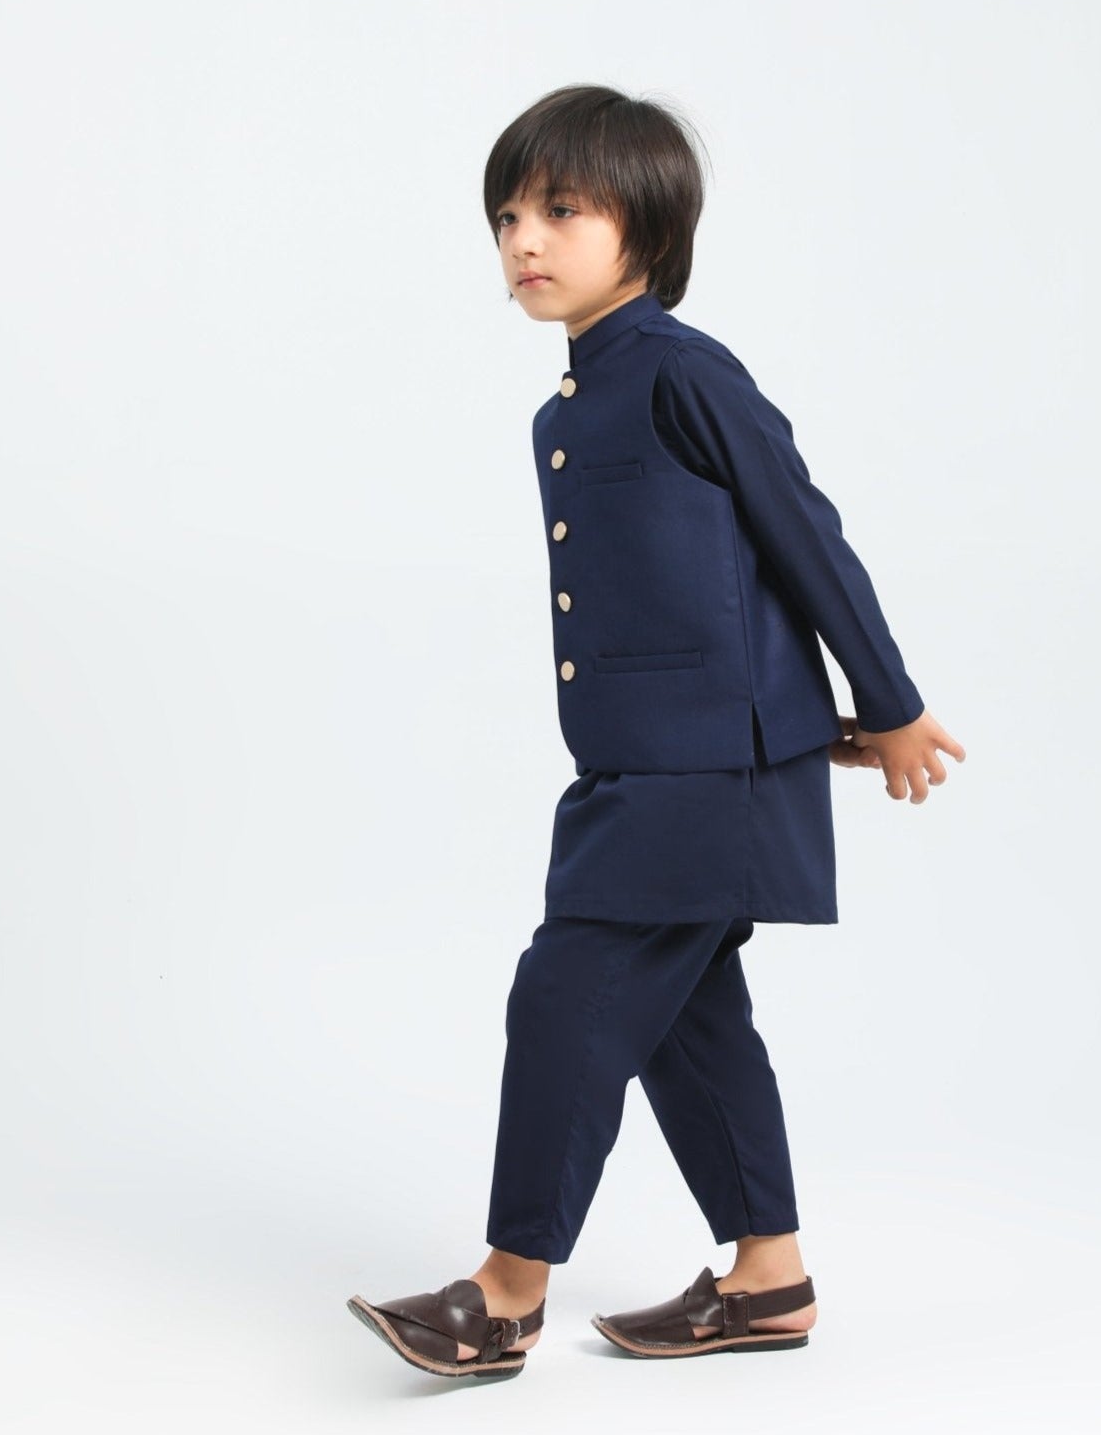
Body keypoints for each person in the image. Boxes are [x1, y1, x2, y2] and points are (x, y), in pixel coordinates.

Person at [347, 84, 966, 1380]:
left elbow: (802, 536)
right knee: (689, 1023)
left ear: (648, 226)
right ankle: (768, 1280)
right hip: (649, 762)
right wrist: (800, 717)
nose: (524, 239)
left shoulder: (686, 372)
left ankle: (505, 1295)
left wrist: (890, 705)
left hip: (700, 771)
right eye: (506, 217)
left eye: (560, 210)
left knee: (566, 993)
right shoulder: (567, 410)